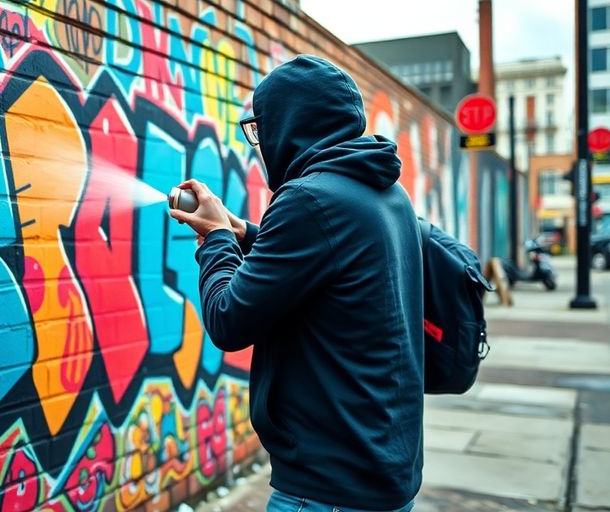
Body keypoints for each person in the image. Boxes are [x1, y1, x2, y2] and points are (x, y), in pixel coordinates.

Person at [169, 55, 423, 512]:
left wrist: (216, 238)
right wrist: (244, 231)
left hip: (326, 488)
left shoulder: (307, 199)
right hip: (382, 468)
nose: (260, 144)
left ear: (289, 124)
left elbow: (228, 320)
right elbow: (326, 259)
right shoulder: (384, 190)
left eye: (260, 130)